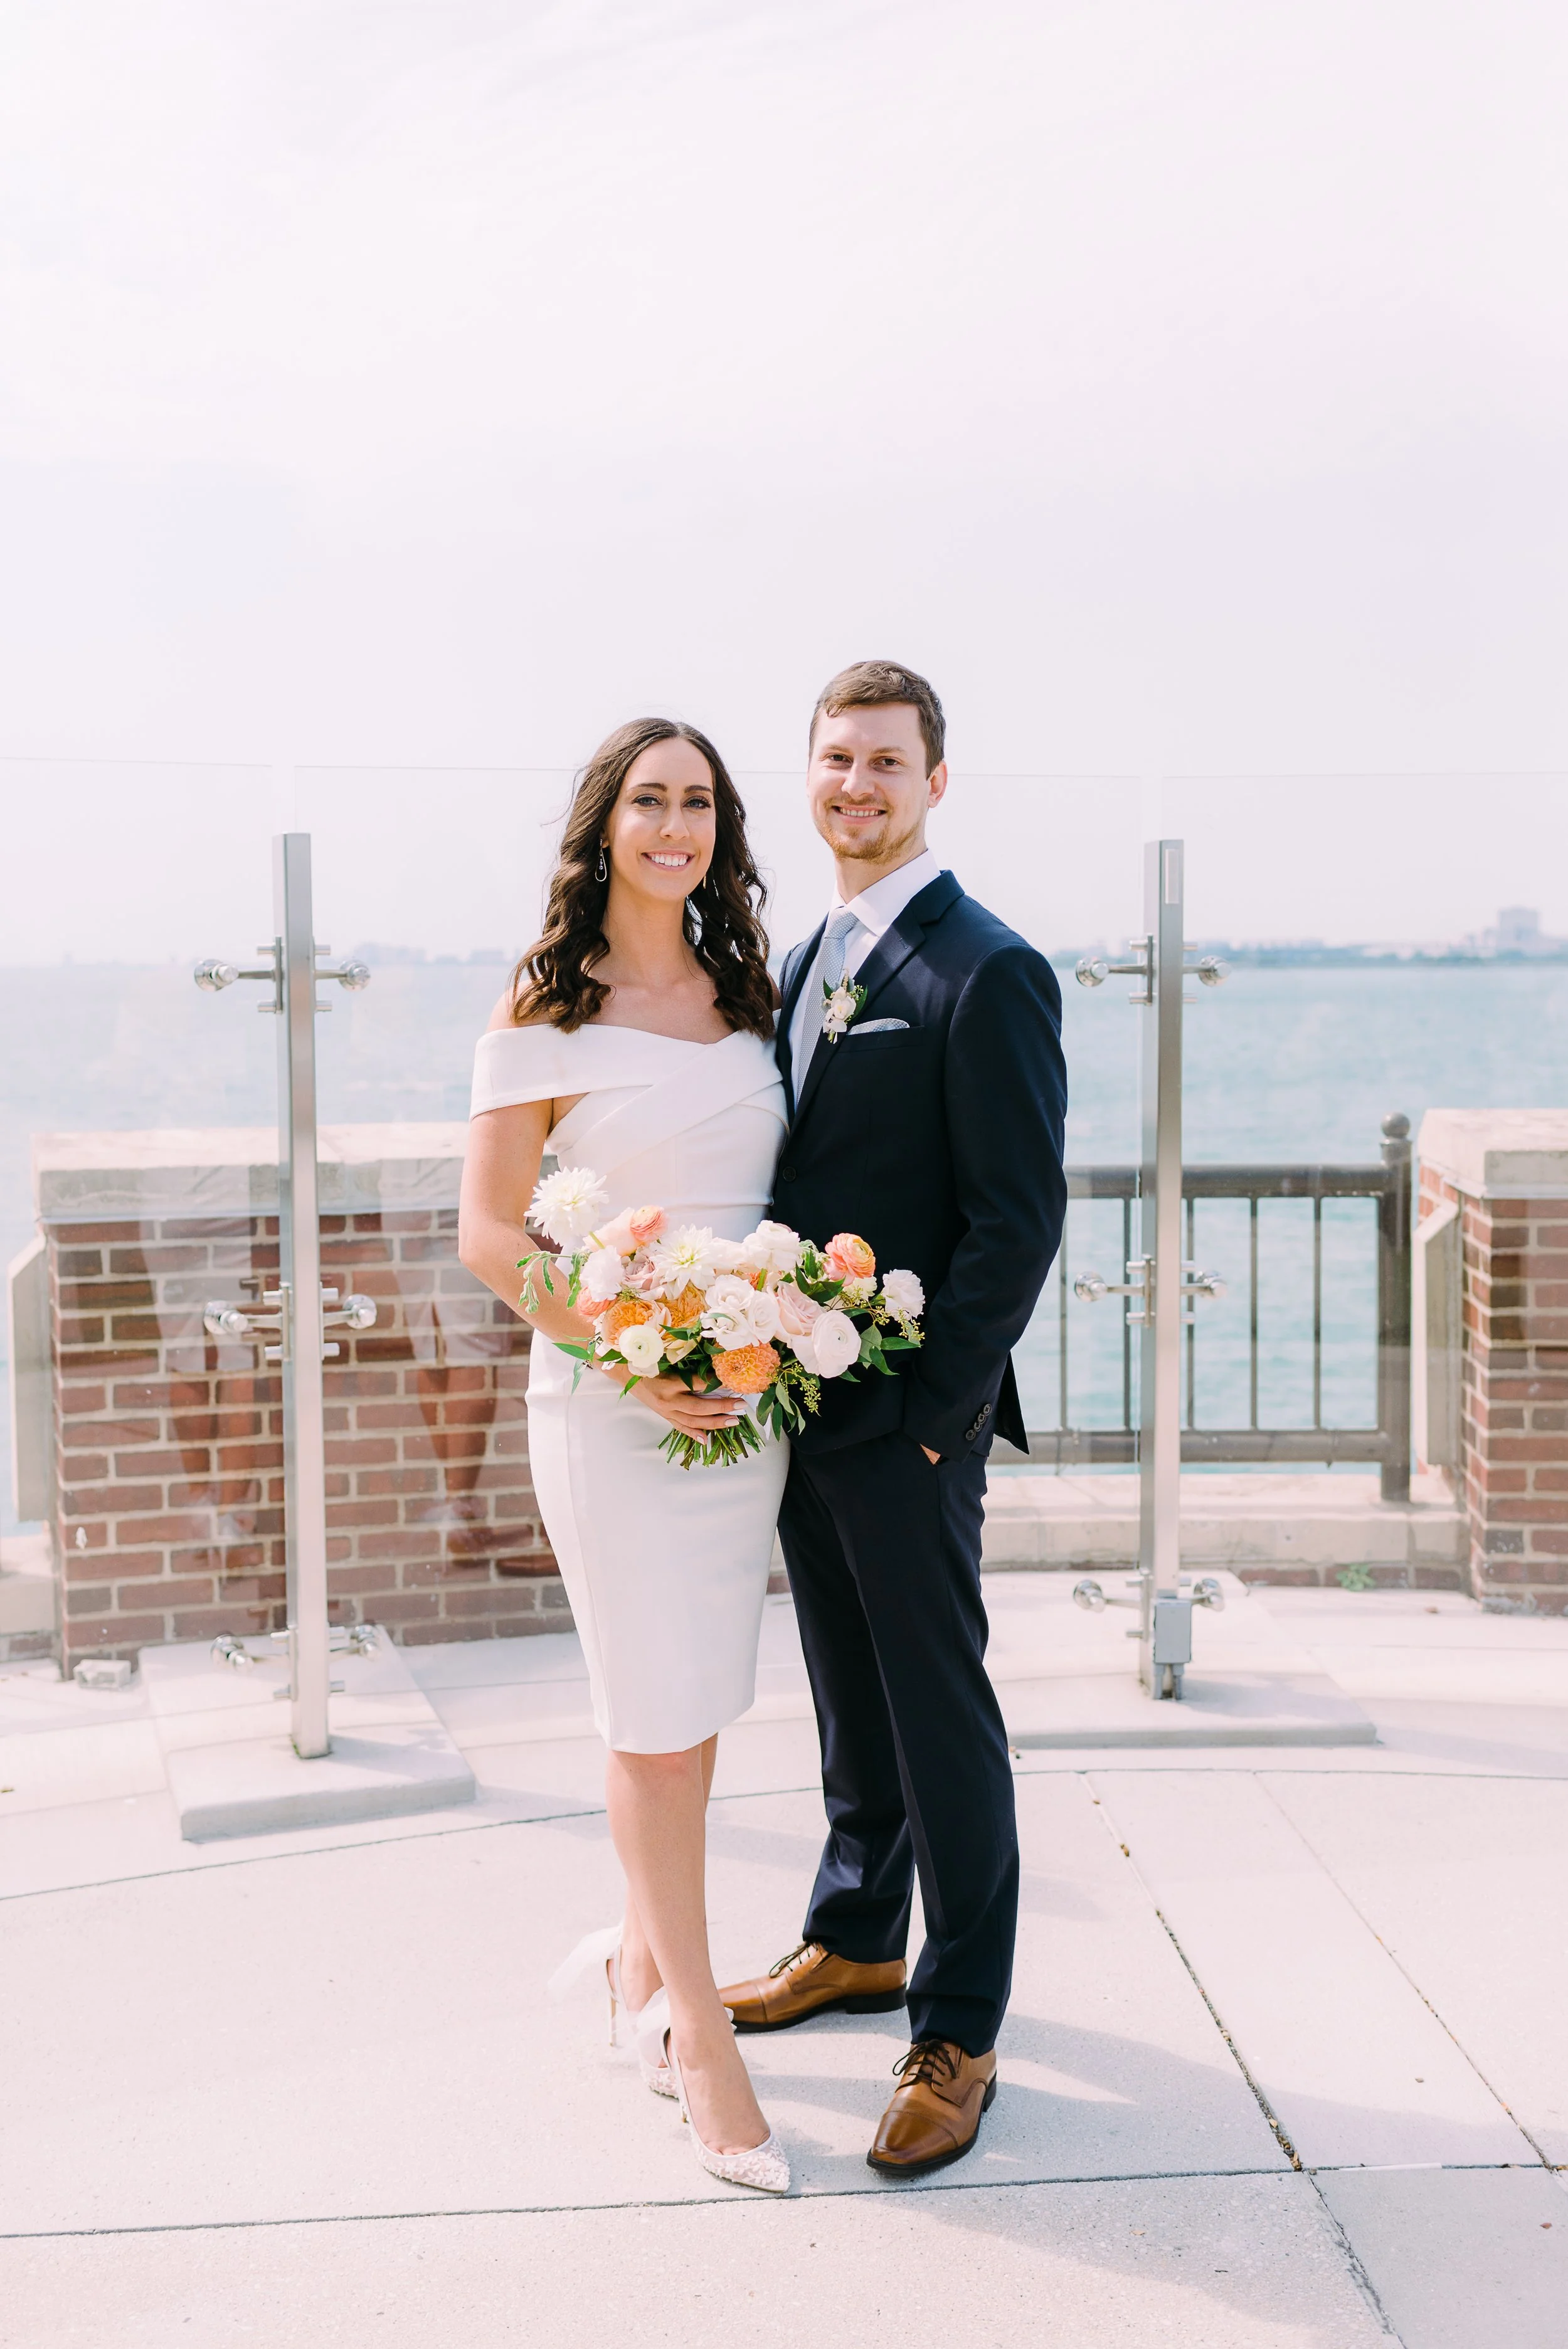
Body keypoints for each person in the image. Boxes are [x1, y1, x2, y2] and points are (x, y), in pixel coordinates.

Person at [718, 659, 1067, 2177]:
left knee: (937, 1717)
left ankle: (959, 2026)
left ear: (935, 783)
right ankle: (855, 1934)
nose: (853, 787)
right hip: (803, 1404)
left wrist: (936, 1419)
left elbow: (1015, 1220)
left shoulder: (983, 971)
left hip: (907, 1423)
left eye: (883, 763)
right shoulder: (803, 960)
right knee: (847, 1699)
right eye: (833, 762)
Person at [458, 717, 791, 2195]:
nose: (675, 825)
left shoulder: (746, 992)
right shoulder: (539, 1006)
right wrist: (636, 1365)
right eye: (649, 800)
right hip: (612, 1409)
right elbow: (486, 1234)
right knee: (650, 1714)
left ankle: (639, 1974)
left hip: (743, 1408)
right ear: (603, 827)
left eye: (699, 803)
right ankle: (700, 2039)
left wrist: (749, 1343)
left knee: (697, 1697)